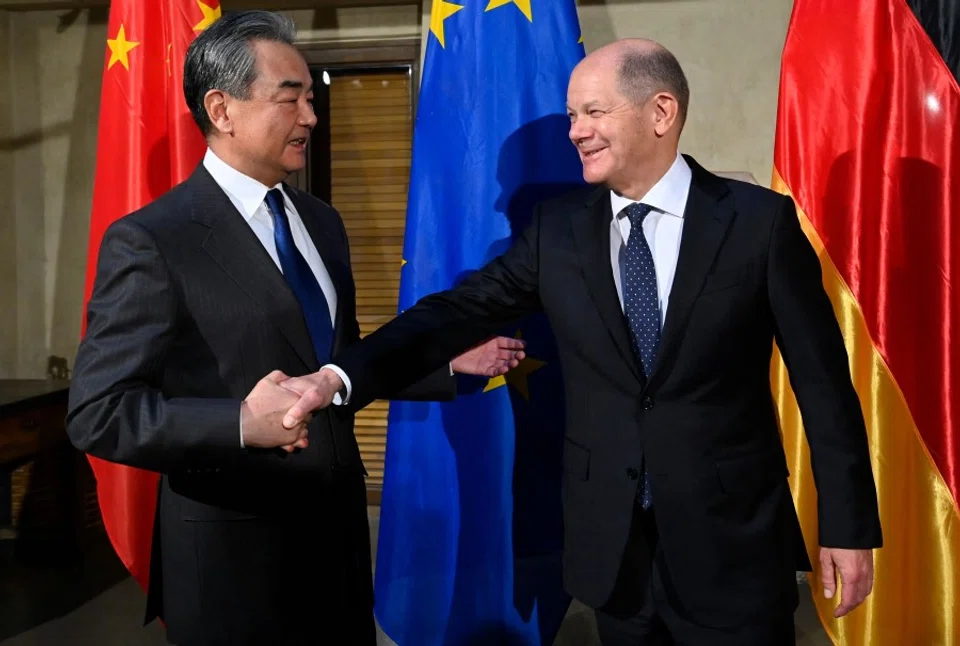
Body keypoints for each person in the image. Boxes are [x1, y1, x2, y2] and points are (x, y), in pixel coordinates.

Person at [280, 39, 883, 645]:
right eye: (572, 115)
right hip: (613, 560)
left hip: (734, 552)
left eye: (593, 112)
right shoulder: (558, 232)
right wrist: (339, 377)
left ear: (661, 112)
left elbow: (825, 388)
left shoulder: (760, 224)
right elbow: (450, 314)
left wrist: (850, 527)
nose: (576, 131)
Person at [65, 11, 524, 646]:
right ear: (222, 109)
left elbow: (333, 363)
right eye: (291, 98)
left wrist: (443, 367)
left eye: (311, 97)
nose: (311, 116)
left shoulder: (320, 222)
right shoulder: (152, 240)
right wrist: (237, 426)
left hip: (336, 545)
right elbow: (98, 411)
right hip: (232, 561)